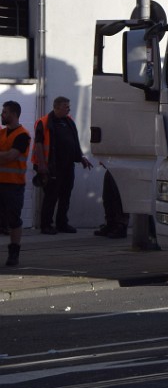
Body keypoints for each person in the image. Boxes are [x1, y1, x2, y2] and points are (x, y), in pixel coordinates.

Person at [33, 96, 92, 234]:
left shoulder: (68, 121)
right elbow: (38, 144)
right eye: (66, 107)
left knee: (65, 195)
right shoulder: (45, 122)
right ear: (57, 107)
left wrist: (81, 158)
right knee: (51, 196)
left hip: (67, 166)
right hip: (52, 166)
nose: (69, 109)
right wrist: (42, 165)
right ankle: (46, 225)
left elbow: (74, 142)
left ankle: (62, 224)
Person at [0, 100, 31, 266]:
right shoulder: (1, 133)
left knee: (13, 220)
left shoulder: (22, 135)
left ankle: (14, 253)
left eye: (4, 112)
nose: (2, 115)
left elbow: (11, 156)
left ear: (13, 114)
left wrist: (3, 156)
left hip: (13, 185)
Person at [94, 167, 129, 239]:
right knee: (107, 196)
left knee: (119, 196)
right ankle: (111, 224)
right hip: (111, 165)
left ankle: (121, 225)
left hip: (121, 165)